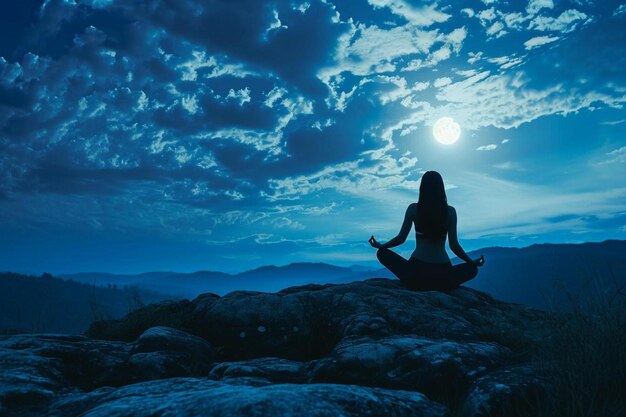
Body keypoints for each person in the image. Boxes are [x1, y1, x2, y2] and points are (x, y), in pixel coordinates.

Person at [368, 171, 485, 292]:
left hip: (416, 274)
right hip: (442, 275)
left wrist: (381, 246)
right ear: (441, 188)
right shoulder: (450, 212)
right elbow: (454, 245)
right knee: (472, 269)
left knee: (382, 253)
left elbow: (401, 238)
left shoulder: (413, 209)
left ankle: (415, 283)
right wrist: (471, 262)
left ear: (422, 188)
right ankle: (442, 286)